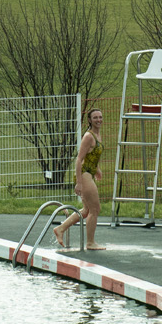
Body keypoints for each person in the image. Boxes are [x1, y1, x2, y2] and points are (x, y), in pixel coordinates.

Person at [53, 107, 107, 251]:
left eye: (100, 117)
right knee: (95, 209)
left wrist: (97, 169)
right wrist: (79, 182)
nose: (98, 120)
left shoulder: (98, 135)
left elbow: (92, 156)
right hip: (83, 174)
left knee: (86, 210)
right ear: (89, 120)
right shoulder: (88, 136)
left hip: (90, 172)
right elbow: (79, 160)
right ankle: (90, 243)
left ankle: (60, 229)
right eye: (95, 117)